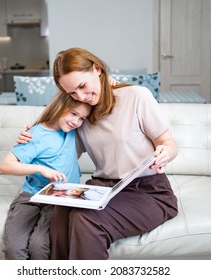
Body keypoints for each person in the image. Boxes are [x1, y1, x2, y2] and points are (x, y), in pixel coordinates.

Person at [17, 47, 178, 260]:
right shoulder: (81, 112)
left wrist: (166, 151)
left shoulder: (137, 96)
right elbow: (59, 154)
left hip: (148, 192)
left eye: (82, 86)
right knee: (61, 211)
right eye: (72, 93)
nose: (81, 96)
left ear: (97, 69)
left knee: (86, 219)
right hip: (103, 189)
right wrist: (34, 139)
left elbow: (168, 143)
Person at [0, 91, 91, 260]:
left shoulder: (74, 129)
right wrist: (41, 169)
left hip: (61, 198)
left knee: (40, 246)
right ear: (60, 106)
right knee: (14, 248)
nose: (76, 122)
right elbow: (6, 165)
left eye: (82, 118)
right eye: (73, 114)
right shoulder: (35, 135)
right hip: (31, 196)